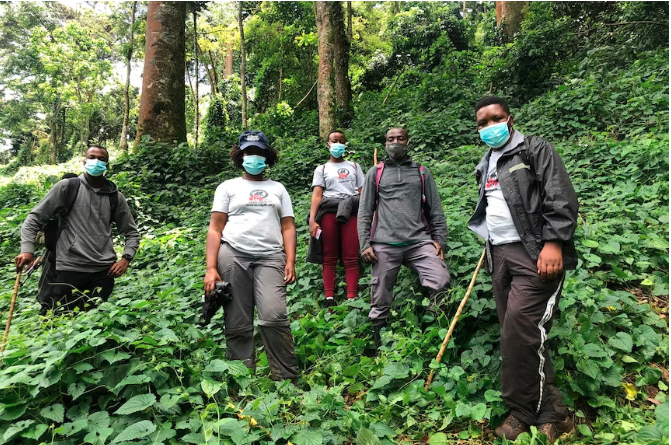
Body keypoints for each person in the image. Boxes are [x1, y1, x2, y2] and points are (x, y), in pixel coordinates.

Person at [467, 96, 578, 442]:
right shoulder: (486, 162)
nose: (489, 127)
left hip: (535, 253)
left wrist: (554, 242)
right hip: (499, 256)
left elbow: (560, 196)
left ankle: (521, 412)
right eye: (482, 123)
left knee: (519, 330)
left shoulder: (534, 150)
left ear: (509, 119)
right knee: (523, 336)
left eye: (495, 119)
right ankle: (553, 415)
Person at [204, 130, 299, 382]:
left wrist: (290, 260)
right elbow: (215, 228)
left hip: (270, 257)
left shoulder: (278, 188)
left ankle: (286, 378)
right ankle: (242, 379)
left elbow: (288, 226)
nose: (253, 157)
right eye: (249, 152)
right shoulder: (228, 187)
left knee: (274, 315)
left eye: (258, 153)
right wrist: (210, 268)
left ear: (267, 156)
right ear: (240, 155)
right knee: (237, 321)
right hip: (233, 254)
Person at [15, 145, 140, 315]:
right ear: (84, 161)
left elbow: (131, 232)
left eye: (101, 159)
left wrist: (126, 259)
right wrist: (27, 250)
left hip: (103, 271)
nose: (96, 162)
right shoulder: (67, 187)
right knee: (60, 319)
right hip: (68, 267)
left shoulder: (114, 196)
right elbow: (34, 218)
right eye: (92, 157)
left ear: (107, 165)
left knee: (93, 322)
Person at [358, 127, 450, 349]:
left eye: (400, 138)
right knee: (379, 295)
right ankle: (380, 342)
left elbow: (435, 208)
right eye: (391, 139)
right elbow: (365, 211)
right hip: (384, 244)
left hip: (419, 241)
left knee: (441, 280)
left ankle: (435, 333)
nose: (395, 142)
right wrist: (364, 244)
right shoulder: (375, 173)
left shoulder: (421, 172)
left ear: (408, 142)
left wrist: (440, 241)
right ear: (385, 143)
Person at [308, 130, 364, 306]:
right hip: (329, 212)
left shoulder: (354, 166)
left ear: (345, 145)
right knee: (329, 255)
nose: (337, 143)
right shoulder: (322, 169)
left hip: (352, 212)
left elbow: (362, 192)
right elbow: (317, 195)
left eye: (341, 141)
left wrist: (370, 214)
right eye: (334, 140)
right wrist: (312, 219)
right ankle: (329, 297)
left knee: (351, 255)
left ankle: (352, 298)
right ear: (328, 144)